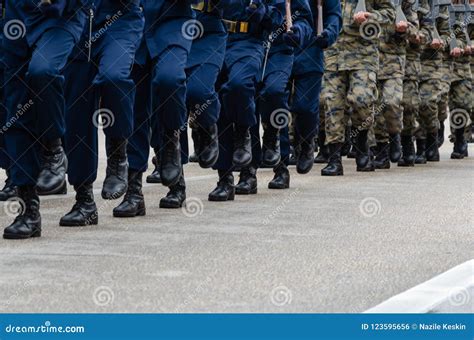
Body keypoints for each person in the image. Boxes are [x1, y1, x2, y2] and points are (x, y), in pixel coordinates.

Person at [2, 0, 93, 239]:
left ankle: (53, 148)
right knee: (16, 110)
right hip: (17, 17)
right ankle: (28, 211)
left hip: (60, 16)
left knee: (43, 71)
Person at [60, 0, 144, 225]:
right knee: (77, 110)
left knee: (114, 77)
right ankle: (84, 199)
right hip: (78, 22)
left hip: (119, 19)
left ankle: (118, 156)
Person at [235, 0, 315, 194]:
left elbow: (304, 19)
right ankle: (248, 171)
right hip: (248, 43)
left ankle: (281, 165)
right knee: (247, 102)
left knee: (275, 93)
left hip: (280, 49)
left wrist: (298, 32)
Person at [321, 0, 396, 176]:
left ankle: (362, 144)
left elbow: (389, 12)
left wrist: (371, 17)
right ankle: (334, 158)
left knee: (361, 100)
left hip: (363, 53)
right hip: (333, 52)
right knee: (332, 104)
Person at [372, 0, 418, 169]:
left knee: (391, 102)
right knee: (375, 108)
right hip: (368, 58)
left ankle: (396, 135)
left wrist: (404, 29)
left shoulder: (404, 2)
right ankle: (382, 151)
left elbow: (416, 30)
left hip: (393, 61)